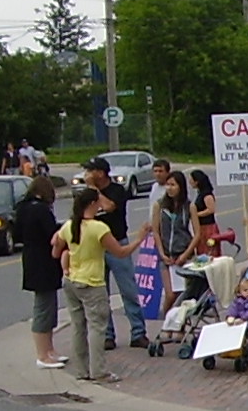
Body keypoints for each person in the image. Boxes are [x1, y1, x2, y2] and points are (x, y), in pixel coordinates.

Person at [51, 186, 153, 382]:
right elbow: (121, 252)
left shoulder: (69, 225)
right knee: (97, 327)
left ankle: (82, 370)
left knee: (78, 326)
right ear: (92, 204)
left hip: (72, 280)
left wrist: (64, 250)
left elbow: (56, 252)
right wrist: (139, 238)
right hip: (92, 282)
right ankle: (99, 370)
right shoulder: (99, 228)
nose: (100, 205)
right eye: (98, 202)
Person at [83, 157, 148, 349]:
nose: (88, 174)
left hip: (117, 243)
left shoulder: (117, 190)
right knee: (100, 294)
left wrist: (95, 190)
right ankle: (107, 335)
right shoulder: (87, 193)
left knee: (128, 290)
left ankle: (138, 332)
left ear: (101, 173)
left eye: (91, 170)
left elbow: (109, 206)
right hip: (96, 246)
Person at [15, 173, 65, 369]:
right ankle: (42, 354)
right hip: (44, 260)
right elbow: (52, 234)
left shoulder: (22, 208)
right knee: (44, 308)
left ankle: (50, 350)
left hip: (30, 258)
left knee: (49, 304)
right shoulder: (42, 211)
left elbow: (18, 233)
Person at [154, 170, 197, 318]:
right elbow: (156, 231)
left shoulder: (189, 206)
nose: (170, 188)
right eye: (168, 185)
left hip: (183, 254)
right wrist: (161, 253)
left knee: (183, 294)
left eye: (173, 185)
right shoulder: (159, 206)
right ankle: (166, 321)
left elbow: (197, 234)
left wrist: (185, 255)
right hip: (166, 256)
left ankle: (179, 324)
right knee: (170, 294)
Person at [187, 169, 220, 251]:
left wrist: (196, 215)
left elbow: (211, 210)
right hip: (201, 227)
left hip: (208, 227)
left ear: (197, 181)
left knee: (209, 249)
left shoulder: (207, 194)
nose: (189, 182)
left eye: (191, 179)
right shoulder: (200, 193)